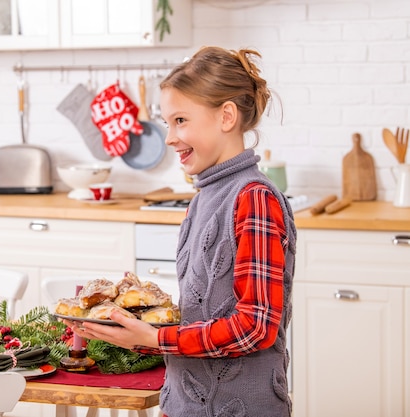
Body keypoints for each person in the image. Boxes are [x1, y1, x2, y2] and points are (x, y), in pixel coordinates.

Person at [66, 46, 296, 417]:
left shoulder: (254, 198)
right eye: (167, 122)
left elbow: (255, 327)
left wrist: (156, 338)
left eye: (181, 121)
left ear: (226, 116)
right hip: (182, 405)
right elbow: (201, 311)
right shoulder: (201, 199)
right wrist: (138, 323)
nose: (170, 137)